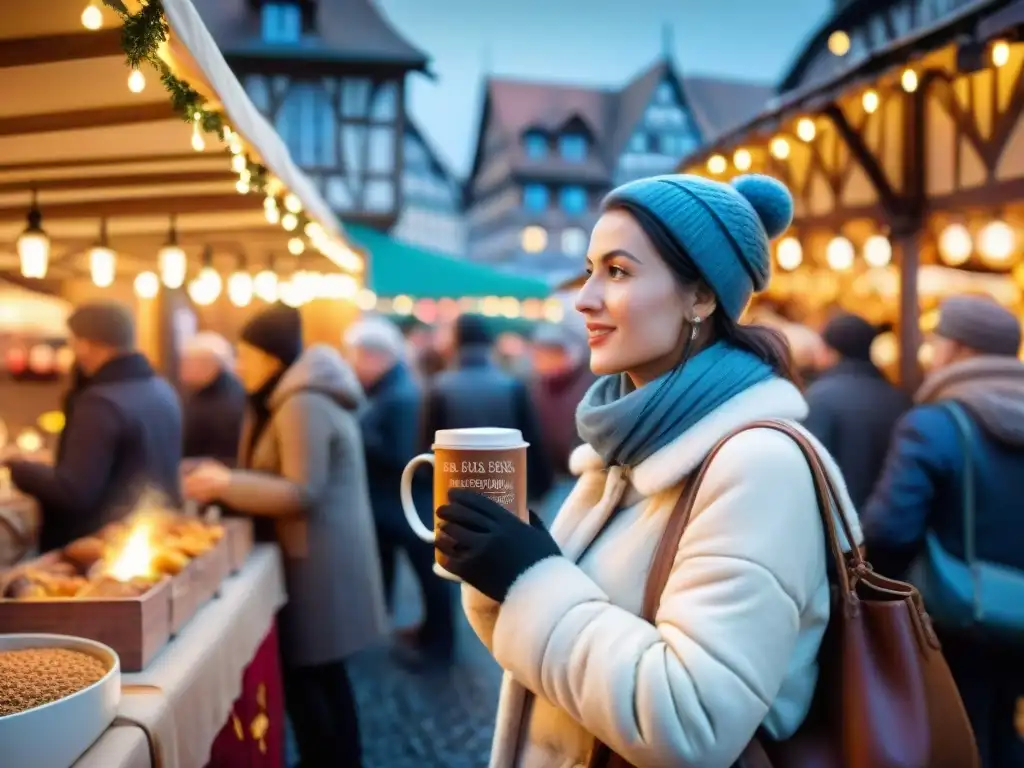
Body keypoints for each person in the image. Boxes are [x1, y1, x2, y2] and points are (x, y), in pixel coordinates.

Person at [433, 174, 861, 767]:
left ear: (701, 298)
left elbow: (693, 724)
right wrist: (500, 568)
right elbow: (546, 652)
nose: (583, 299)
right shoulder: (624, 445)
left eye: (618, 271)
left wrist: (530, 578)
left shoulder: (757, 466)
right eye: (589, 270)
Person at [182, 303, 386, 768]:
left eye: (246, 356)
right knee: (322, 676)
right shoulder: (289, 395)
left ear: (271, 358)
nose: (239, 366)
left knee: (312, 676)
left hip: (318, 562)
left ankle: (329, 760)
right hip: (313, 555)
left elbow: (302, 490)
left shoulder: (302, 402)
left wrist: (225, 484)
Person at [862, 295, 1024, 768]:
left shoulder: (934, 424)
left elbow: (890, 530)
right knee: (1007, 731)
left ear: (957, 349)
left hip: (955, 617)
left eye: (937, 343)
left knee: (958, 738)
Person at [5, 301, 182, 552]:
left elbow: (73, 492)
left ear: (85, 343)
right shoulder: (161, 389)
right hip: (149, 538)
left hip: (100, 550)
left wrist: (17, 466)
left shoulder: (100, 402)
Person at [345, 316, 455, 662]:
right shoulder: (389, 390)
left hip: (410, 504)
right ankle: (426, 633)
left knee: (430, 578)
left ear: (378, 356)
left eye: (358, 356)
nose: (353, 365)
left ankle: (438, 644)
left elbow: (405, 455)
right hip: (399, 503)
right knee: (424, 577)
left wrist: (359, 437)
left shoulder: (400, 394)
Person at [423, 313, 553, 503]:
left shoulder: (439, 387)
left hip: (456, 494)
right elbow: (532, 443)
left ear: (456, 340)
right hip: (507, 492)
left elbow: (427, 450)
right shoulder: (512, 385)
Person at [803, 311, 910, 508]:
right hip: (886, 525)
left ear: (831, 351)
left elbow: (810, 473)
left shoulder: (819, 398)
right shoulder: (897, 398)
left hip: (840, 526)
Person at [529, 321, 595, 477]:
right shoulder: (535, 388)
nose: (543, 361)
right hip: (548, 479)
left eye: (551, 354)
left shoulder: (590, 386)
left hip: (584, 476)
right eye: (539, 355)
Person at [180, 332, 246, 465]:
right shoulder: (202, 391)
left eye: (188, 362)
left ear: (210, 363)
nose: (182, 368)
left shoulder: (228, 402)